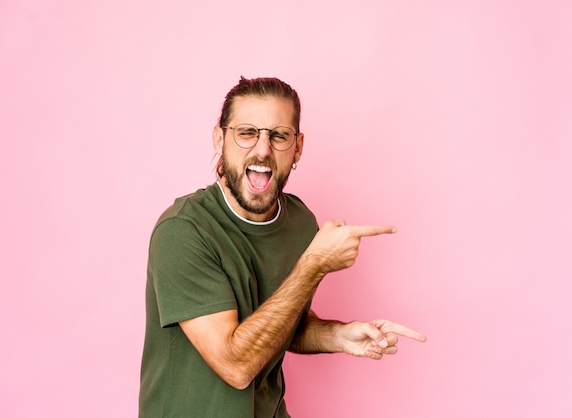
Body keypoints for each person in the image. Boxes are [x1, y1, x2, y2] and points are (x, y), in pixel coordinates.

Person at [139, 76, 426, 418]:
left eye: (278, 135)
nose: (262, 149)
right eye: (247, 132)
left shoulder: (300, 222)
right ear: (220, 139)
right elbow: (235, 365)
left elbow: (282, 323)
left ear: (298, 147)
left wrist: (338, 336)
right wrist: (314, 264)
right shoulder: (182, 232)